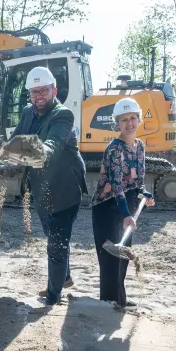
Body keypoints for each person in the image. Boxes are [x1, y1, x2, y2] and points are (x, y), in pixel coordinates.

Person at [11, 66, 87, 306]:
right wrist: (3, 157)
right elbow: (16, 140)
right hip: (42, 185)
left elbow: (52, 145)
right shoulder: (27, 113)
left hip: (65, 187)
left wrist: (33, 152)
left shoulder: (63, 115)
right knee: (53, 235)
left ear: (54, 90)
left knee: (56, 243)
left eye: (43, 90)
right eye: (34, 92)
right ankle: (64, 276)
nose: (39, 96)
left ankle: (53, 296)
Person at [92, 98, 155, 308]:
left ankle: (120, 299)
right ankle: (109, 303)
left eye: (133, 118)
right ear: (117, 123)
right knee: (111, 259)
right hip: (108, 206)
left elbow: (138, 181)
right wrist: (126, 214)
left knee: (123, 255)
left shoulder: (140, 146)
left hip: (126, 204)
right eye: (124, 119)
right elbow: (116, 185)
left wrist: (144, 193)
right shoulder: (114, 149)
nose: (129, 123)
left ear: (139, 119)